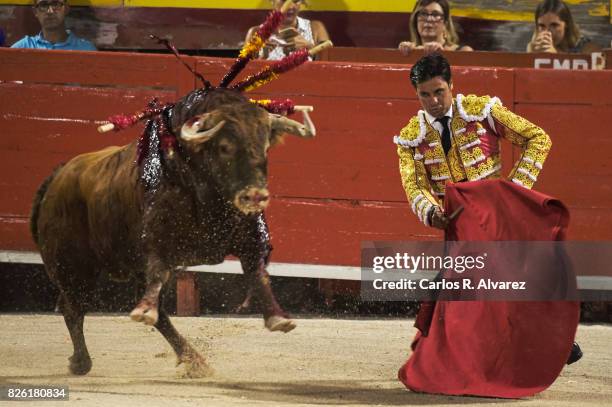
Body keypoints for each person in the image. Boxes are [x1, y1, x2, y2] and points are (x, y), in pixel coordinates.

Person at [394, 53, 582, 397]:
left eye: (439, 92)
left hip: (496, 222)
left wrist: (513, 193)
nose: (434, 102)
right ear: (416, 94)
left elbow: (538, 139)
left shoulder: (482, 111)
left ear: (451, 85)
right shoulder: (410, 138)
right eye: (425, 95)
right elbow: (415, 188)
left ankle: (439, 356)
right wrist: (431, 212)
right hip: (459, 227)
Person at [245, 0, 329, 61]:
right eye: (283, 0)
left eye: (296, 1)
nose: (291, 6)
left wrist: (310, 47)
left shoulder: (315, 28)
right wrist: (261, 58)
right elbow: (243, 72)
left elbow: (328, 68)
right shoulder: (256, 33)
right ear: (272, 1)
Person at [11, 0, 96, 51]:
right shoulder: (23, 48)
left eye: (56, 4)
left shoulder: (86, 49)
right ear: (35, 12)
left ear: (66, 8)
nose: (50, 11)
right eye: (43, 5)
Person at [398, 0, 472, 56]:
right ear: (415, 21)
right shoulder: (412, 52)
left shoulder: (463, 51)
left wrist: (442, 54)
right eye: (423, 13)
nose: (429, 19)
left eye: (435, 14)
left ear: (445, 23)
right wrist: (406, 55)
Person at [527, 0, 600, 53]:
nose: (547, 31)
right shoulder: (534, 47)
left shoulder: (586, 47)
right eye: (542, 26)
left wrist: (555, 57)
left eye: (554, 25)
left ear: (567, 24)